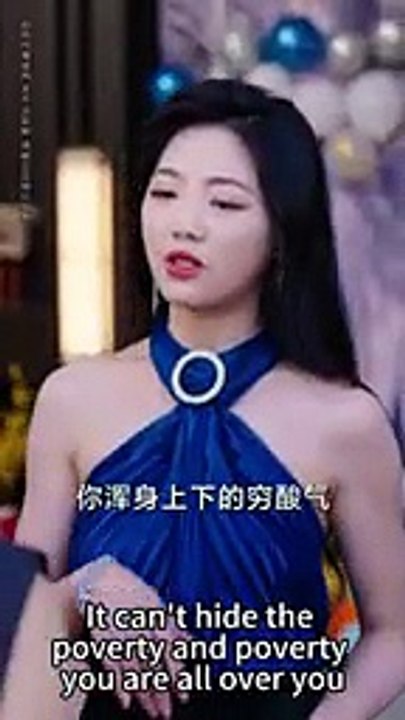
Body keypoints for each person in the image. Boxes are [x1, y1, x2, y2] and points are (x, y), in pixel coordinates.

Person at [15, 79, 405, 719]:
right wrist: (87, 587)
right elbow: (22, 611)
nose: (184, 225)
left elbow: (394, 632)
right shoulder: (74, 397)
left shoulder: (345, 421)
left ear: (281, 231)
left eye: (224, 203)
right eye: (164, 193)